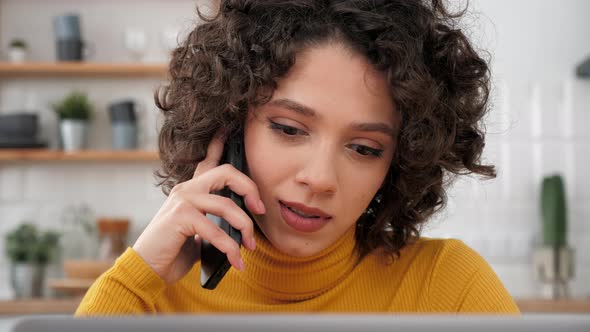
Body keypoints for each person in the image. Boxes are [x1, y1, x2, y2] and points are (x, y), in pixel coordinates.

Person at [76, 0, 519, 315]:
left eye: (365, 149)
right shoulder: (151, 298)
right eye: (289, 129)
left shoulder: (450, 291)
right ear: (229, 126)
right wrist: (135, 278)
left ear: (400, 161)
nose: (320, 179)